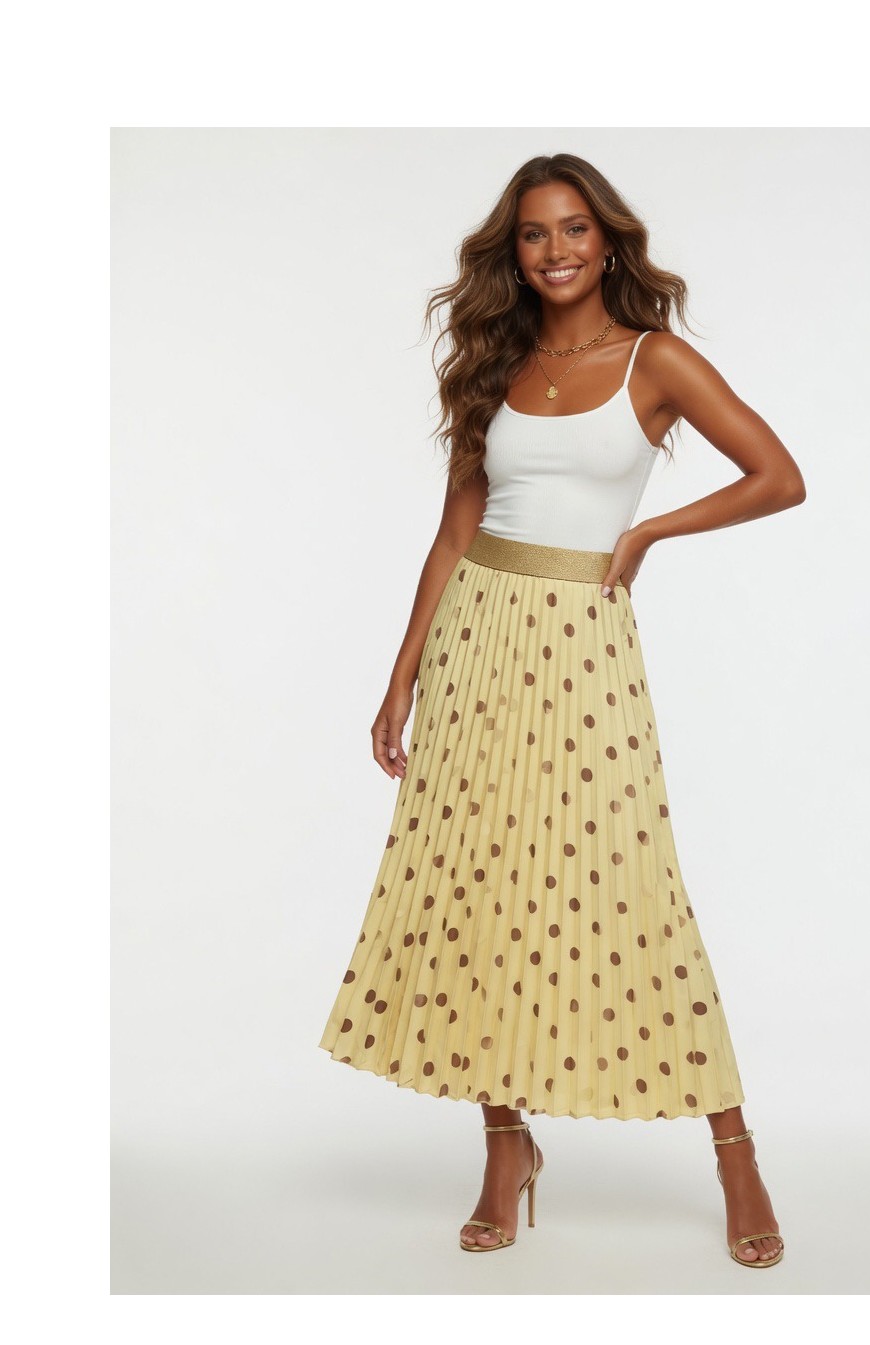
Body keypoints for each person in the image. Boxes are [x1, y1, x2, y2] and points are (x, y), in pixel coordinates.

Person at [318, 153, 806, 1266]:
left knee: (633, 885)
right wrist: (402, 675)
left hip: (583, 645)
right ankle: (506, 1147)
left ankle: (735, 1154)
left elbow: (777, 477)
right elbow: (456, 531)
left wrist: (649, 532)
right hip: (476, 639)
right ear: (515, 250)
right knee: (480, 888)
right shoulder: (493, 361)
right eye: (535, 233)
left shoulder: (655, 358)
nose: (556, 251)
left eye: (574, 228)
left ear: (608, 239)